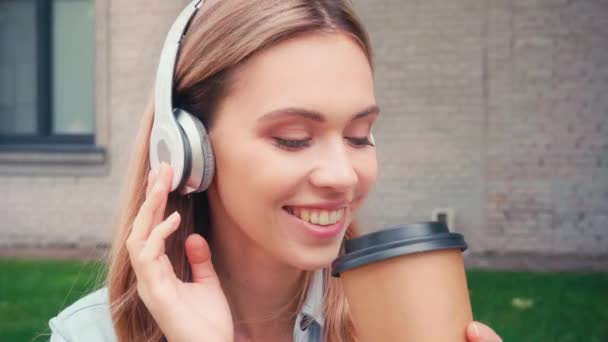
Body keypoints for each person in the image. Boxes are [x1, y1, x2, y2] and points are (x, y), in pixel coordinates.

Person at [49, 0, 503, 341]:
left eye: (360, 135)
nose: (343, 175)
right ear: (188, 151)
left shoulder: (401, 327)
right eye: (293, 139)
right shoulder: (88, 335)